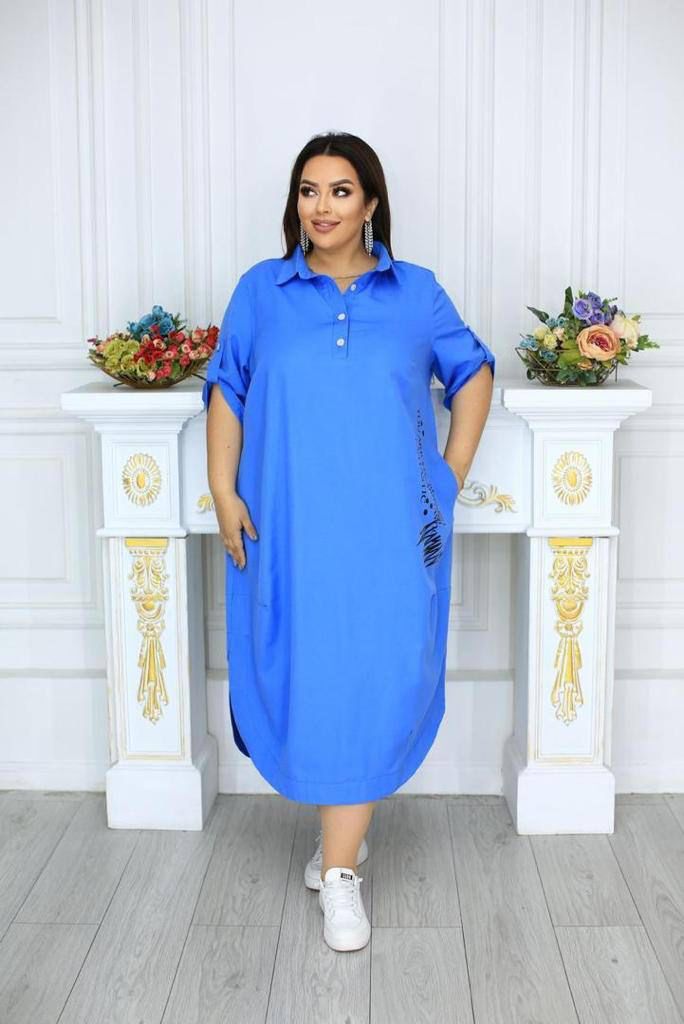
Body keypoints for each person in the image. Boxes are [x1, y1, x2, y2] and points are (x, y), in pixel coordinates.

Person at [202, 131, 495, 952]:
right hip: (292, 526)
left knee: (373, 676)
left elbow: (472, 373)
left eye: (339, 191)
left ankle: (339, 874)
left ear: (370, 203)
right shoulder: (262, 292)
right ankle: (343, 838)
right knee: (314, 676)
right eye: (308, 190)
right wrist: (223, 489)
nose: (321, 207)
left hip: (388, 533)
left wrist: (447, 475)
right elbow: (228, 388)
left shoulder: (416, 293)